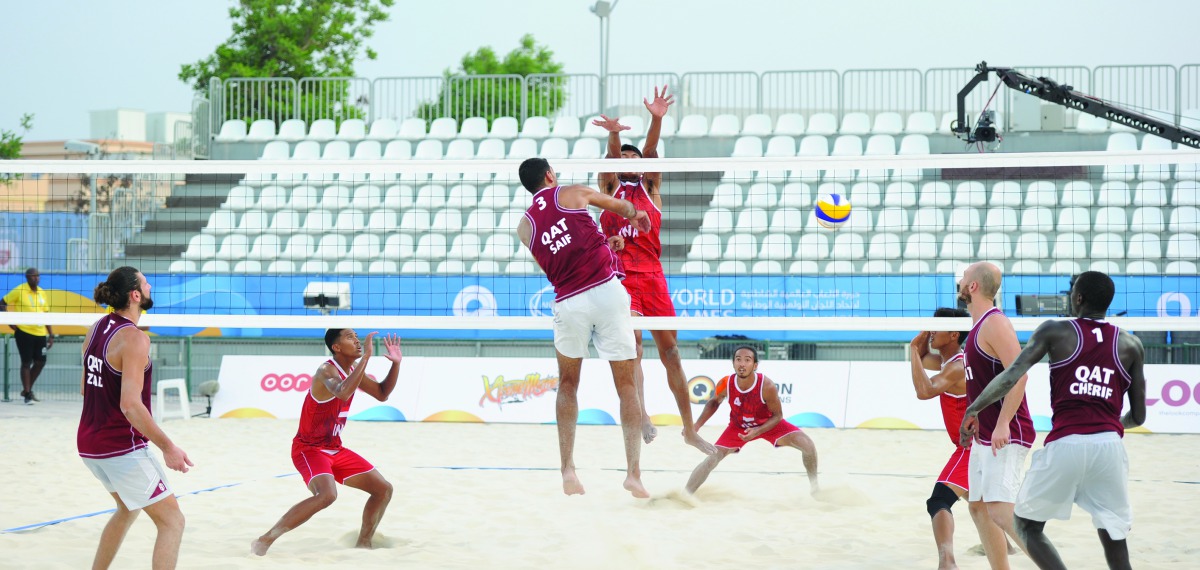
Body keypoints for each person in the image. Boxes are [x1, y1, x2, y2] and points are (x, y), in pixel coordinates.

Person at [961, 271, 1146, 570]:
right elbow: (1138, 416)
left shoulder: (1055, 331)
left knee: (1025, 525)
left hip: (1067, 443)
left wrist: (974, 408)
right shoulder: (1131, 344)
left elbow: (1012, 376)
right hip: (1110, 445)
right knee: (1114, 539)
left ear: (1078, 298)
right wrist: (1108, 427)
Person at [516, 157, 652, 498]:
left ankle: (568, 469)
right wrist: (636, 215)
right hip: (605, 292)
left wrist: (604, 246)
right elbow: (619, 205)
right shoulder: (572, 192)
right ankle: (633, 474)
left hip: (569, 303)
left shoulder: (524, 227)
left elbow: (555, 261)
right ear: (549, 175)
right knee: (626, 384)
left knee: (567, 384)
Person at [593, 86, 716, 455]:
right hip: (621, 279)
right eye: (622, 156)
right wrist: (615, 135)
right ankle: (643, 414)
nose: (629, 159)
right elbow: (614, 160)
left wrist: (656, 119)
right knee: (633, 350)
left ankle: (690, 429)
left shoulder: (650, 186)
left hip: (653, 276)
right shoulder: (609, 189)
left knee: (672, 354)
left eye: (634, 156)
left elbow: (647, 152)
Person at [78, 266, 191, 570]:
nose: (151, 284)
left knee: (127, 509)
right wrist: (168, 447)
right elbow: (130, 405)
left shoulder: (96, 327)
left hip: (89, 444)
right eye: (145, 281)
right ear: (135, 295)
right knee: (172, 521)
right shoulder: (134, 339)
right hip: (119, 448)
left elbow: (84, 388)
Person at [253, 329, 402, 555]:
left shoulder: (353, 372)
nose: (357, 341)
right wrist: (366, 358)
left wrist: (396, 364)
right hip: (308, 448)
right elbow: (342, 392)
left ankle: (364, 543)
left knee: (383, 489)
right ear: (337, 347)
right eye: (350, 337)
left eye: (356, 336)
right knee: (327, 495)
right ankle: (265, 539)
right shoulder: (326, 370)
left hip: (334, 448)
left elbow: (382, 394)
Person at [956, 261, 1036, 569]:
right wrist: (974, 414)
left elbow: (1020, 375)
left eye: (963, 278)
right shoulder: (977, 327)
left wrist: (1003, 422)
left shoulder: (994, 323)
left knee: (1001, 511)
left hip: (1007, 433)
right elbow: (983, 384)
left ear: (973, 286)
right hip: (984, 434)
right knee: (977, 507)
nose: (960, 282)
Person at [685, 346, 819, 495]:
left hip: (768, 424)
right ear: (733, 363)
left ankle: (815, 489)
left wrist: (758, 431)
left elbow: (778, 416)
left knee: (808, 446)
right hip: (738, 427)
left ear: (755, 365)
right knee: (712, 458)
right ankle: (685, 495)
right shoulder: (725, 383)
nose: (742, 364)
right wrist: (696, 425)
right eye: (738, 359)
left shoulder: (766, 386)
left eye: (747, 360)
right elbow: (714, 402)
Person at [909, 307, 983, 570]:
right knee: (979, 501)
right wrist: (919, 343)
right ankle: (1006, 546)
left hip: (972, 446)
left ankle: (947, 562)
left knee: (938, 500)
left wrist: (912, 349)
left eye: (935, 327)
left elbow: (924, 391)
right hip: (974, 443)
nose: (931, 331)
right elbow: (920, 359)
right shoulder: (946, 360)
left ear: (953, 334)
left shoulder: (957, 366)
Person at [2, 267, 54, 404]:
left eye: (38, 276)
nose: (36, 278)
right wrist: (9, 322)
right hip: (24, 332)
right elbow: (2, 303)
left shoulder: (42, 292)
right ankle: (27, 395)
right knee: (26, 362)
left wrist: (51, 334)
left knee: (40, 362)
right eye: (33, 276)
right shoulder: (20, 290)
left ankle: (27, 390)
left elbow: (46, 315)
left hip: (40, 332)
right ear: (27, 277)